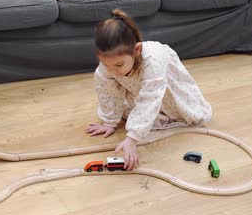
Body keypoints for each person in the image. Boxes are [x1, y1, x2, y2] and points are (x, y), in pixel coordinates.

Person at [85, 9, 212, 171]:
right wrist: (110, 122)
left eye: (118, 65)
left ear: (137, 51)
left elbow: (150, 99)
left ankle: (166, 113)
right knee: (124, 102)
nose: (112, 70)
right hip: (139, 88)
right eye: (105, 64)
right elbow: (108, 92)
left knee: (174, 109)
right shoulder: (108, 68)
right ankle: (138, 119)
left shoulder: (152, 62)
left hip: (167, 88)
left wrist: (132, 139)